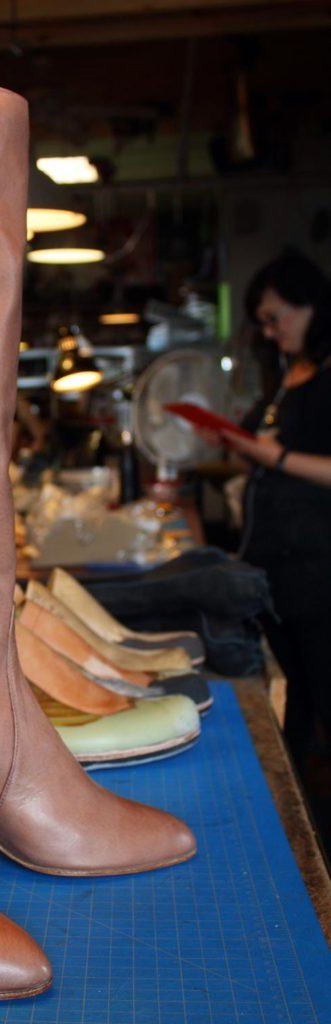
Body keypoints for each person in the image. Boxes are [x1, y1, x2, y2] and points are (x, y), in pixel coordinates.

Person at [225, 249, 331, 765]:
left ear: (309, 305)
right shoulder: (289, 374)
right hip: (277, 566)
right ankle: (304, 794)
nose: (268, 331)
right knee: (294, 697)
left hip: (319, 567)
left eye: (275, 317)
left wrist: (274, 455)